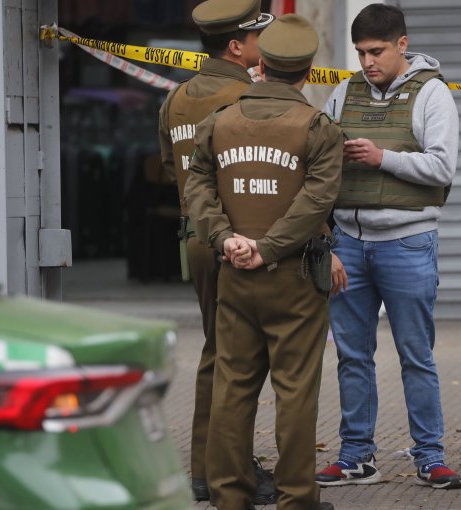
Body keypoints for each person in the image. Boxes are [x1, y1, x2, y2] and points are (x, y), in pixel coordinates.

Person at [184, 13, 342, 510]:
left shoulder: (221, 121)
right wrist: (269, 248)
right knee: (295, 393)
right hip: (293, 278)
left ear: (263, 64)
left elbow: (196, 184)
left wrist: (227, 238)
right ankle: (297, 498)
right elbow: (316, 201)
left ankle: (231, 496)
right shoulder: (317, 127)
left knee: (232, 389)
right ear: (308, 70)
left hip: (233, 273)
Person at [315, 3, 461, 490]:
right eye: (360, 53)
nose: (367, 62)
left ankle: (431, 457)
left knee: (415, 354)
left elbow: (442, 168)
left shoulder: (433, 94)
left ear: (402, 44)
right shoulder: (343, 92)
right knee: (352, 356)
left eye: (376, 51)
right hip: (349, 244)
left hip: (407, 242)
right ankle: (357, 456)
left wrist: (383, 158)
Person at [156, 0, 276, 503]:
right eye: (256, 39)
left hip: (195, 239)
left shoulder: (176, 98)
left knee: (216, 351)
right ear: (236, 46)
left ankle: (206, 468)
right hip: (238, 242)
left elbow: (170, 169)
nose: (261, 47)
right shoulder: (248, 96)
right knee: (242, 360)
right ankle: (234, 469)